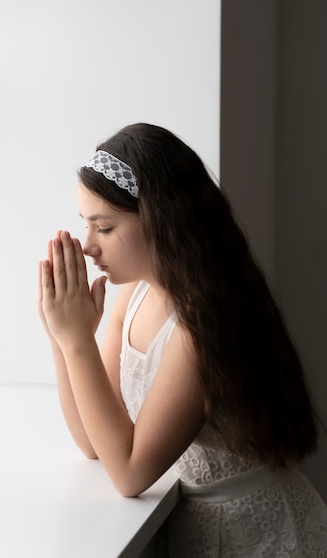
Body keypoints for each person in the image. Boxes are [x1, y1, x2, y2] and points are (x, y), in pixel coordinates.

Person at [38, 123, 327, 556]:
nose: (88, 246)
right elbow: (93, 443)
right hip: (198, 527)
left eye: (106, 227)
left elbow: (130, 473)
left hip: (254, 534)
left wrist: (79, 341)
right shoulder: (134, 297)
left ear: (161, 221)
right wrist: (62, 339)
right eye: (86, 225)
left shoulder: (201, 326)